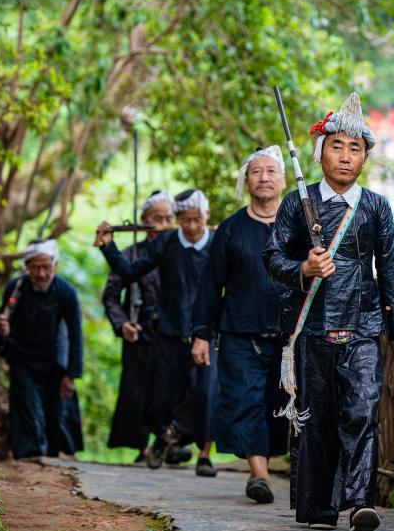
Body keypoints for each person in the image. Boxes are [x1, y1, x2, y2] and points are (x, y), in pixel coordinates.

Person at [263, 92, 394, 531]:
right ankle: (319, 506)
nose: (346, 157)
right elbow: (272, 259)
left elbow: (389, 268)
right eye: (337, 146)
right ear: (320, 151)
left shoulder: (375, 207)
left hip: (363, 325)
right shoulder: (297, 204)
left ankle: (359, 503)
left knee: (363, 412)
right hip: (311, 326)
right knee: (317, 417)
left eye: (355, 148)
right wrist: (304, 269)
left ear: (365, 156)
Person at [94, 189, 219, 477]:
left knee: (205, 392)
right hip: (167, 334)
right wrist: (108, 247)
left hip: (205, 333)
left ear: (207, 216)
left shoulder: (217, 243)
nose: (191, 227)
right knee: (163, 397)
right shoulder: (165, 242)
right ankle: (165, 438)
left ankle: (186, 443)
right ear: (178, 220)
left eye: (197, 219)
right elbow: (129, 272)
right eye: (184, 220)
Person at [192, 146, 290, 504]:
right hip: (239, 333)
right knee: (245, 400)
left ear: (283, 180)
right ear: (246, 182)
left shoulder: (297, 225)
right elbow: (210, 284)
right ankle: (259, 475)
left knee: (277, 404)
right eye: (255, 172)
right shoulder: (231, 229)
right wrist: (201, 333)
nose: (263, 177)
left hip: (288, 335)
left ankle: (271, 464)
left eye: (270, 171)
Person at [101, 191, 185, 463]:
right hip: (140, 333)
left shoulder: (180, 251)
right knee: (138, 389)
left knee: (173, 389)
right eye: (156, 218)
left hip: (172, 334)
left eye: (168, 218)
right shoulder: (130, 255)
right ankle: (142, 447)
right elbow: (111, 295)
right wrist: (122, 323)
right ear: (143, 220)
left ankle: (169, 443)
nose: (161, 223)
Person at [0, 239, 83, 460]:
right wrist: (1, 329)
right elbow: (2, 323)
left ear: (56, 265)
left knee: (56, 412)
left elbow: (75, 335)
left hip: (54, 360)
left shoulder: (66, 292)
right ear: (27, 267)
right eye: (36, 267)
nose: (41, 273)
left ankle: (55, 454)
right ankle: (29, 457)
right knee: (27, 408)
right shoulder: (16, 288)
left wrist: (71, 374)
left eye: (47, 267)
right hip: (23, 359)